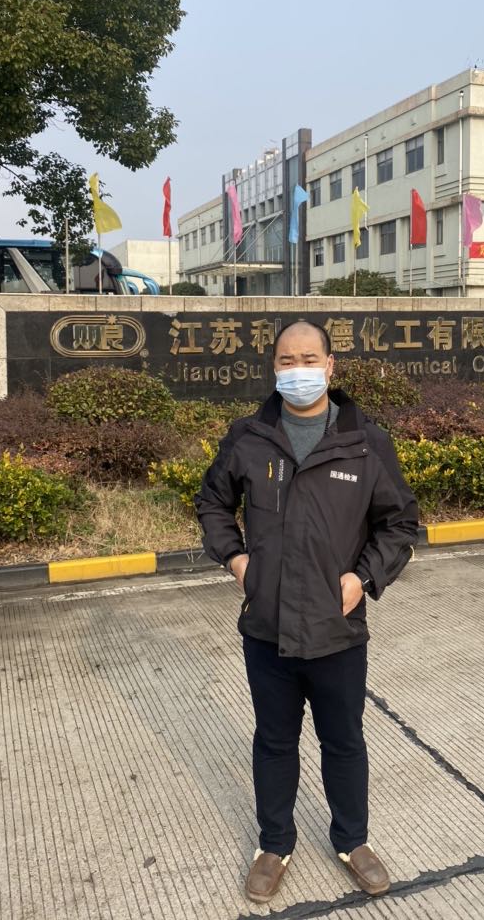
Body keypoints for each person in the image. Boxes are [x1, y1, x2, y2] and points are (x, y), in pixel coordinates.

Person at [196, 319, 420, 904]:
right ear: (274, 367)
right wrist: (237, 561)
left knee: (343, 741)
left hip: (337, 629)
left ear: (330, 365)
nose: (298, 371)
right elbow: (213, 504)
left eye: (309, 359)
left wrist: (362, 578)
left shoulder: (365, 442)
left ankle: (352, 841)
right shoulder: (249, 438)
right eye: (287, 361)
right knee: (274, 741)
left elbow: (399, 523)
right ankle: (274, 845)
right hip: (266, 628)